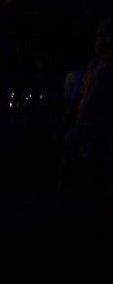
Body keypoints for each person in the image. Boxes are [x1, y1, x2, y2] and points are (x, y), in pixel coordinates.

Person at [56, 17, 113, 223]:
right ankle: (62, 216)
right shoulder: (93, 65)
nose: (95, 40)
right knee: (67, 169)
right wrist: (68, 119)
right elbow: (80, 96)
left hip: (97, 130)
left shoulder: (108, 70)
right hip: (80, 127)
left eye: (99, 36)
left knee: (94, 176)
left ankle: (98, 218)